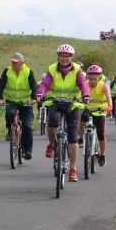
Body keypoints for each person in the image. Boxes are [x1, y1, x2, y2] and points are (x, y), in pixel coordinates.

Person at [36, 44, 90, 182]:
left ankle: (73, 169)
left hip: (73, 104)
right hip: (55, 102)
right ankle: (52, 144)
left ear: (71, 57)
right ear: (58, 56)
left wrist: (86, 95)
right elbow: (45, 83)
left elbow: (83, 84)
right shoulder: (52, 69)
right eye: (62, 56)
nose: (64, 58)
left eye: (67, 56)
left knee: (73, 136)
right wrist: (41, 92)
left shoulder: (78, 70)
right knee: (52, 122)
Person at [0, 52, 37, 160]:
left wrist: (34, 98)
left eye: (16, 62)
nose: (13, 64)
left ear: (22, 63)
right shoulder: (7, 71)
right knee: (9, 114)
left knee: (27, 126)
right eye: (12, 62)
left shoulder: (28, 72)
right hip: (11, 101)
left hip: (25, 103)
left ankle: (27, 150)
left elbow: (34, 87)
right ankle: (10, 129)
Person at [78, 65, 113, 166]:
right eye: (91, 78)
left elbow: (108, 97)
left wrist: (109, 106)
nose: (93, 81)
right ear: (87, 77)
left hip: (100, 111)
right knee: (82, 120)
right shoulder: (84, 85)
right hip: (87, 109)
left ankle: (102, 155)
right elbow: (79, 95)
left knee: (101, 134)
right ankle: (80, 138)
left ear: (99, 77)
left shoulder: (103, 85)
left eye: (95, 79)